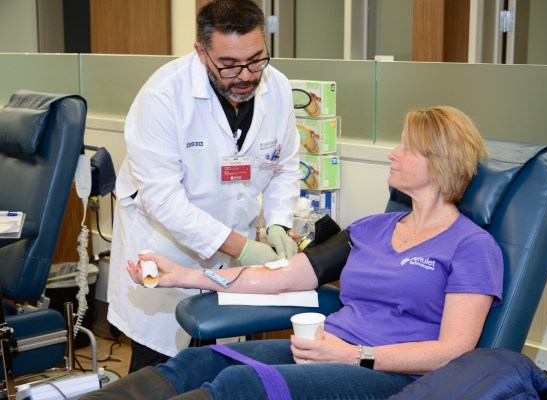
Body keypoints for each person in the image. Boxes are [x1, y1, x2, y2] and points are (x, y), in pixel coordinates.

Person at [88, 106, 504, 399]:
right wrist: (181, 275)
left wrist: (353, 355)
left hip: (394, 376)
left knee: (240, 387)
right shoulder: (370, 228)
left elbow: (454, 351)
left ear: (440, 162)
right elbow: (278, 275)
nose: (392, 153)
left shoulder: (471, 245)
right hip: (325, 349)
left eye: (407, 148)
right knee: (200, 364)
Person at [106, 0, 301, 372]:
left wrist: (277, 221)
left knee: (221, 365)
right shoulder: (162, 96)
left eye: (257, 59)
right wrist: (243, 249)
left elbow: (284, 165)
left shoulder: (277, 88)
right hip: (165, 246)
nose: (245, 75)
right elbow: (163, 200)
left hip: (232, 251)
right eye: (229, 64)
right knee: (158, 368)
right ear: (201, 51)